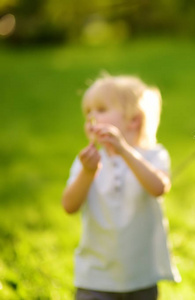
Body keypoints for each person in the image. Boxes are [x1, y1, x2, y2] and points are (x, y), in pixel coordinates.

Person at [62, 75, 180, 299]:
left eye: (101, 109)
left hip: (141, 274)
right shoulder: (87, 161)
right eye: (88, 112)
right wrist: (88, 173)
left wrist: (124, 150)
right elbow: (69, 206)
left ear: (133, 120)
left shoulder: (154, 155)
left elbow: (159, 187)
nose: (91, 117)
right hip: (95, 275)